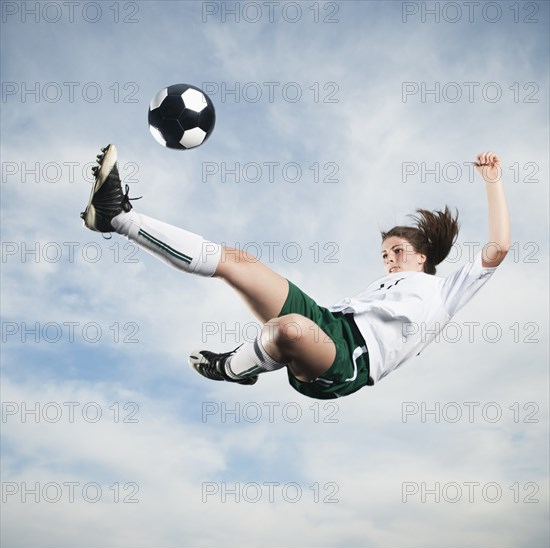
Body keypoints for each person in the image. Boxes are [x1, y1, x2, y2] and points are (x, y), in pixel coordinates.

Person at [81, 145, 510, 400]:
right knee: (237, 263)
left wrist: (493, 180)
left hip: (348, 363)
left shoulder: (444, 293)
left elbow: (498, 248)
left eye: (398, 251)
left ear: (423, 257)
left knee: (289, 331)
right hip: (331, 320)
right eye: (383, 254)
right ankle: (116, 217)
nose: (389, 259)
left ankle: (233, 367)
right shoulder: (385, 284)